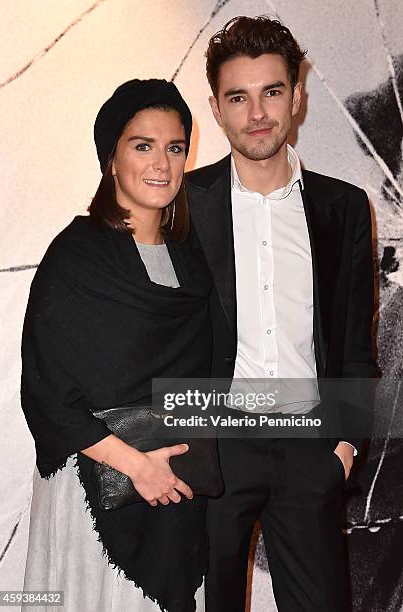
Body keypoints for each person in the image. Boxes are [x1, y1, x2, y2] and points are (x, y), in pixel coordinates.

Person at [185, 16, 377, 612]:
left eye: (272, 91)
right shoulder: (184, 207)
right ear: (216, 109)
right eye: (238, 97)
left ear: (297, 95)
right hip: (215, 446)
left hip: (308, 450)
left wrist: (342, 447)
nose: (258, 112)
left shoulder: (343, 206)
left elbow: (353, 343)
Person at [20, 79, 214, 612]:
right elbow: (46, 394)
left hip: (174, 491)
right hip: (94, 490)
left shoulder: (194, 263)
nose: (162, 163)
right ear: (112, 159)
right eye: (142, 145)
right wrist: (136, 466)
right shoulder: (77, 257)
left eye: (175, 148)